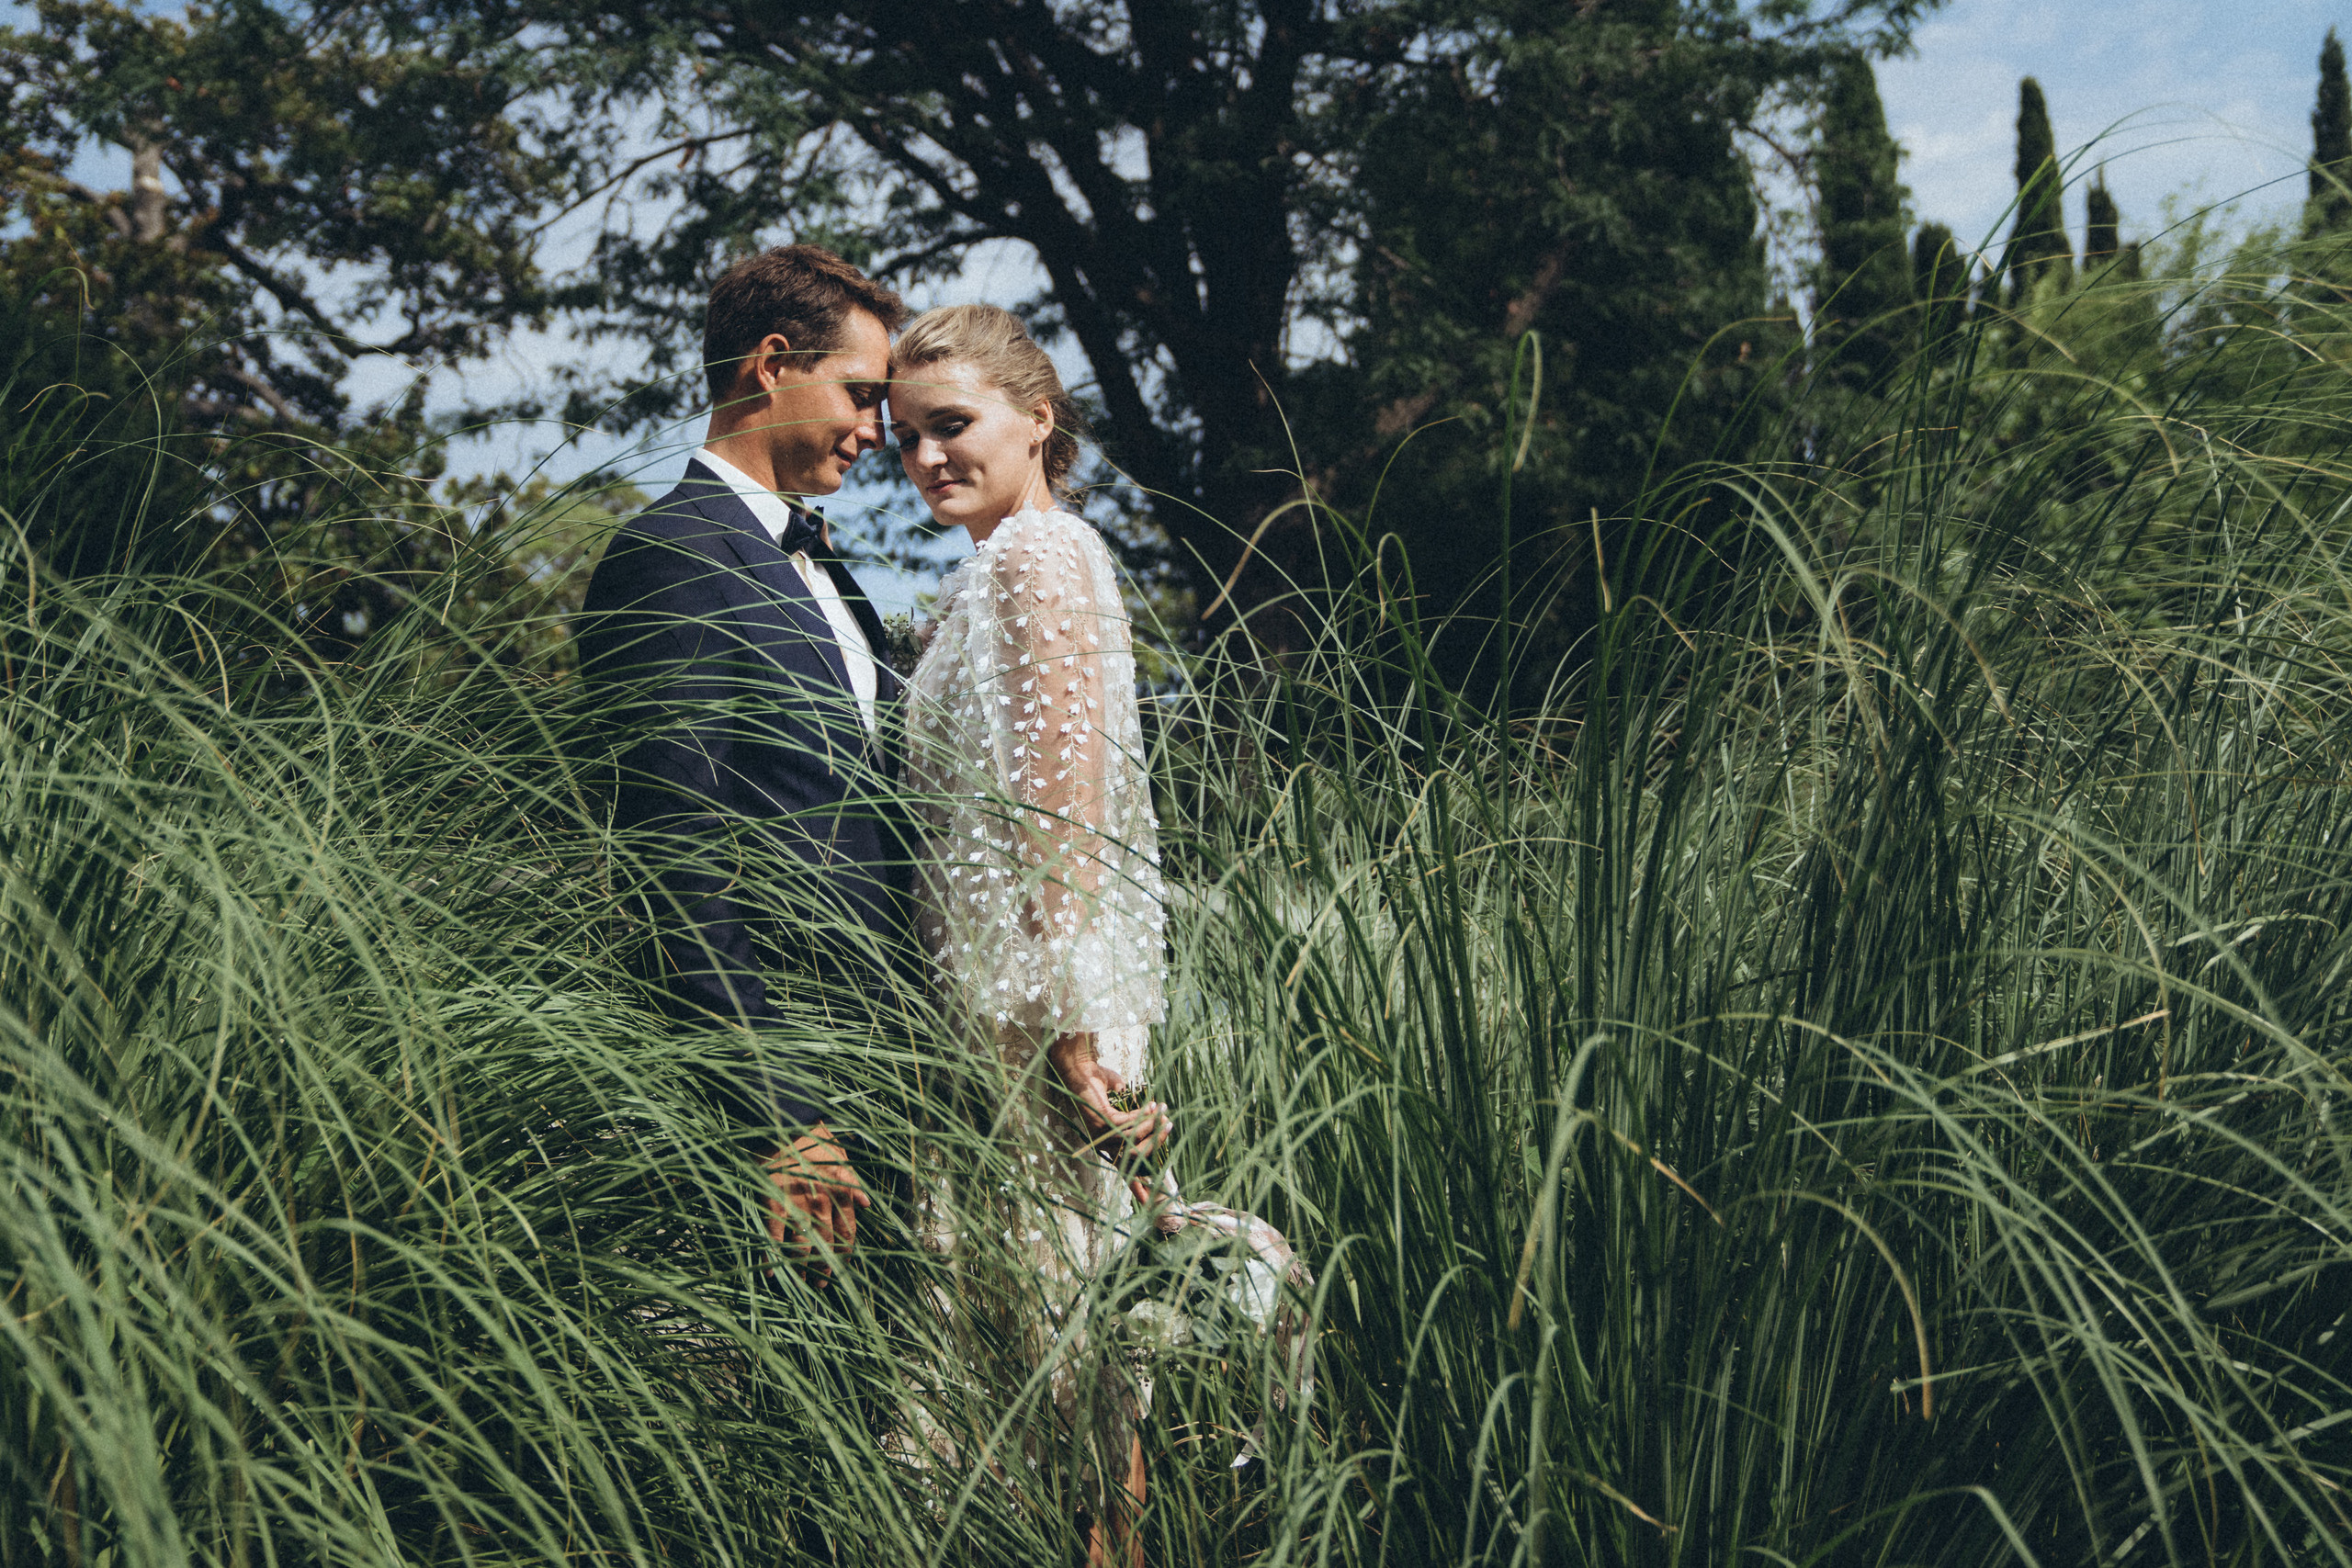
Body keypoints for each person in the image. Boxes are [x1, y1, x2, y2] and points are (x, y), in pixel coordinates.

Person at [888, 303, 1170, 1563]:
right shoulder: (993, 569)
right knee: (1056, 1388)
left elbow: (1062, 809)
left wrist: (1070, 1032)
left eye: (951, 424)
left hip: (1032, 1038)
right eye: (906, 438)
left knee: (1063, 1391)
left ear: (1037, 419)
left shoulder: (1037, 558)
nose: (926, 457)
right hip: (992, 1028)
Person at [577, 244, 910, 1273]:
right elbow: (672, 852)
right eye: (861, 394)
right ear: (771, 364)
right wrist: (779, 1112)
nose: (876, 431)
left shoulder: (826, 570)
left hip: (889, 1069)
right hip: (785, 1098)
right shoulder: (668, 558)